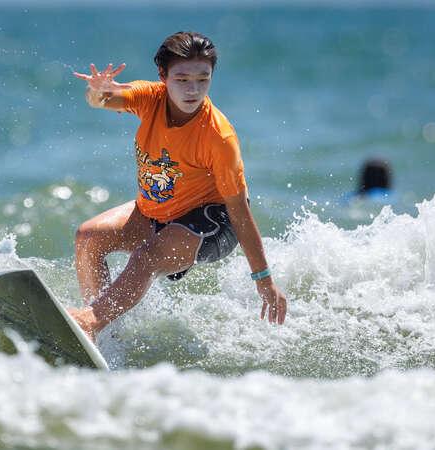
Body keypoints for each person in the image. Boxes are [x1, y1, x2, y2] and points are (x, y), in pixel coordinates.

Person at [68, 31, 287, 341]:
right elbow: (102, 100)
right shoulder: (150, 98)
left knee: (146, 256)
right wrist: (96, 91)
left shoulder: (218, 138)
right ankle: (104, 335)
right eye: (182, 79)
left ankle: (90, 321)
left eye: (203, 79)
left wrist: (263, 278)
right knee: (88, 238)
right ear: (163, 76)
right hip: (157, 212)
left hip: (212, 221)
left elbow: (239, 211)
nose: (193, 89)